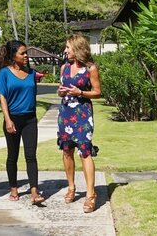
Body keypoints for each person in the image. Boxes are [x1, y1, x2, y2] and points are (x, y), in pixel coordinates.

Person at [0, 40, 46, 205]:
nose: (26, 56)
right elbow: (2, 99)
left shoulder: (31, 73)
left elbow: (32, 94)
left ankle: (34, 192)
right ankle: (14, 188)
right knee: (12, 155)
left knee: (31, 156)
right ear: (12, 55)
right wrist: (8, 120)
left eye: (26, 52)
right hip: (13, 119)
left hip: (30, 118)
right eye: (22, 53)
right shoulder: (4, 73)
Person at [57, 34, 102, 213]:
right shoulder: (64, 68)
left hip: (83, 114)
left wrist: (80, 92)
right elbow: (61, 90)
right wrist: (61, 92)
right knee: (67, 151)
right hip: (65, 114)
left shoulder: (90, 68)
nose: (65, 51)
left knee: (85, 152)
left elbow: (98, 92)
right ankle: (71, 187)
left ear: (77, 48)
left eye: (68, 47)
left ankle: (91, 195)